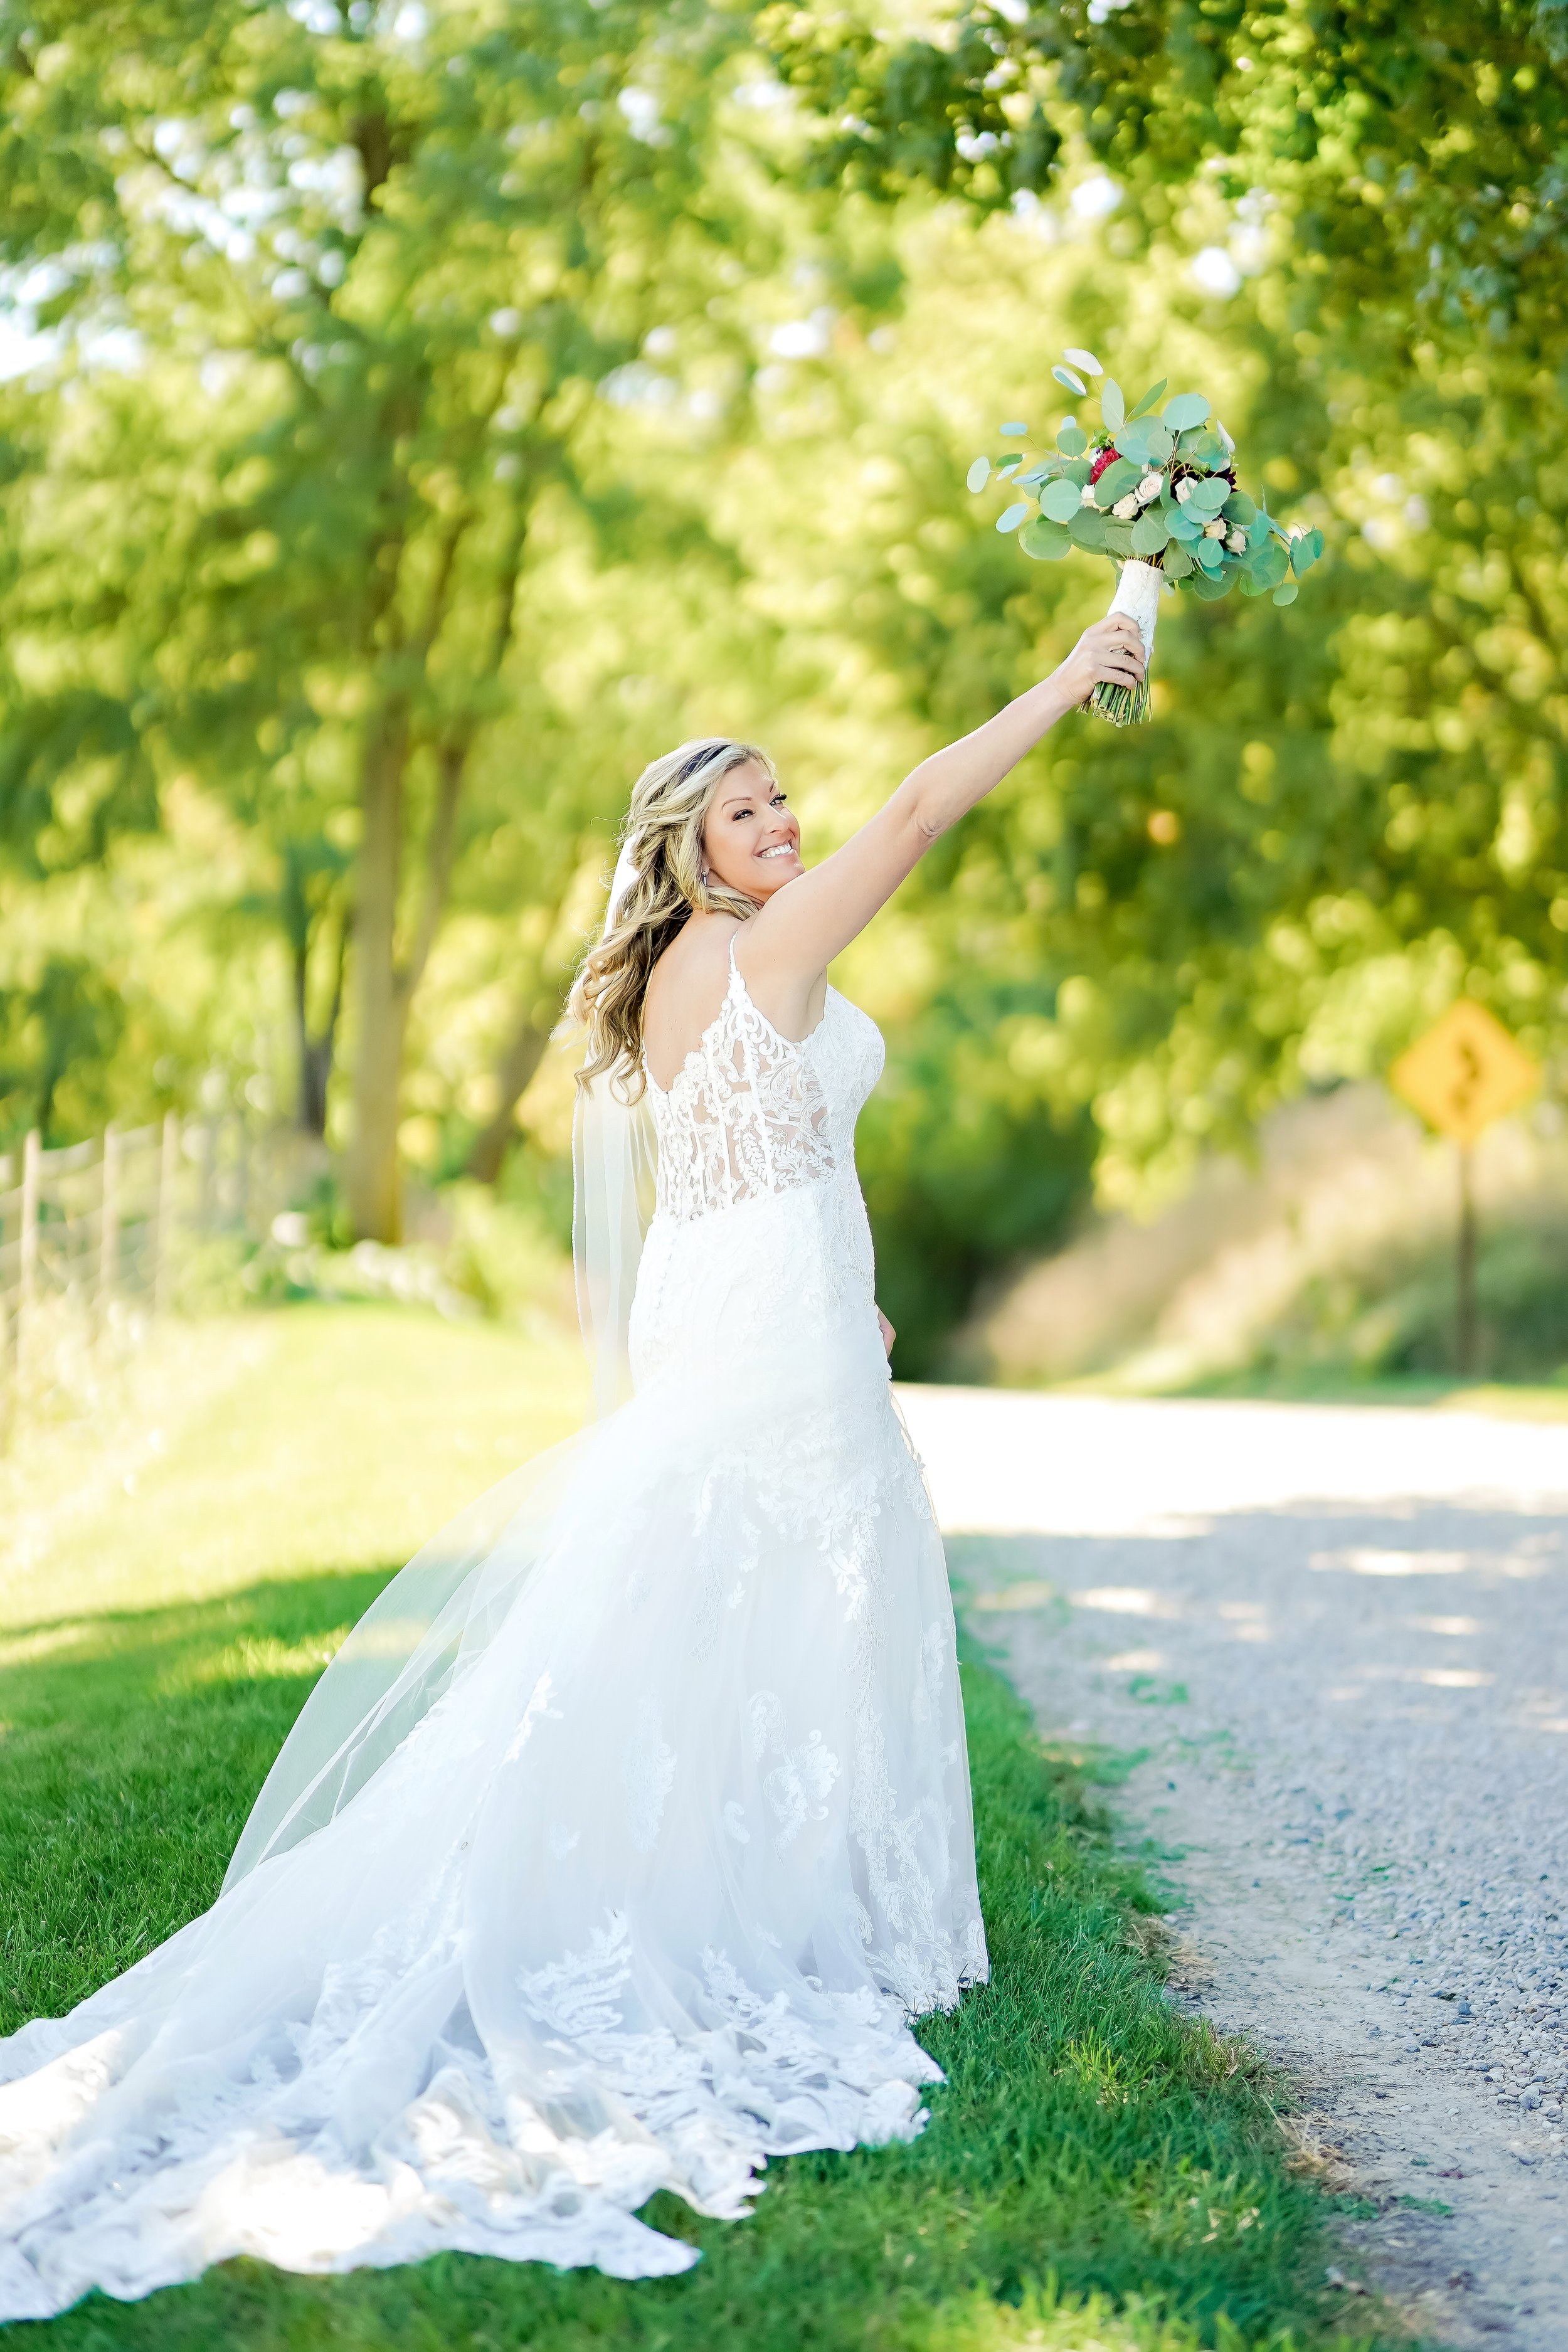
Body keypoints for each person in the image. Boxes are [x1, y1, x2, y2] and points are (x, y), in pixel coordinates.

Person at [0, 616, 1146, 2318]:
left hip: (767, 1308)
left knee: (726, 1608)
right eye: (744, 813)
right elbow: (916, 813)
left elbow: (750, 1173)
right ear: (683, 854)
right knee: (769, 1605)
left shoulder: (704, 965)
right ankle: (765, 1919)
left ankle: (744, 1882)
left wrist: (853, 1303)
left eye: (781, 801)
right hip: (766, 1330)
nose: (784, 824)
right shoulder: (746, 948)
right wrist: (1069, 680)